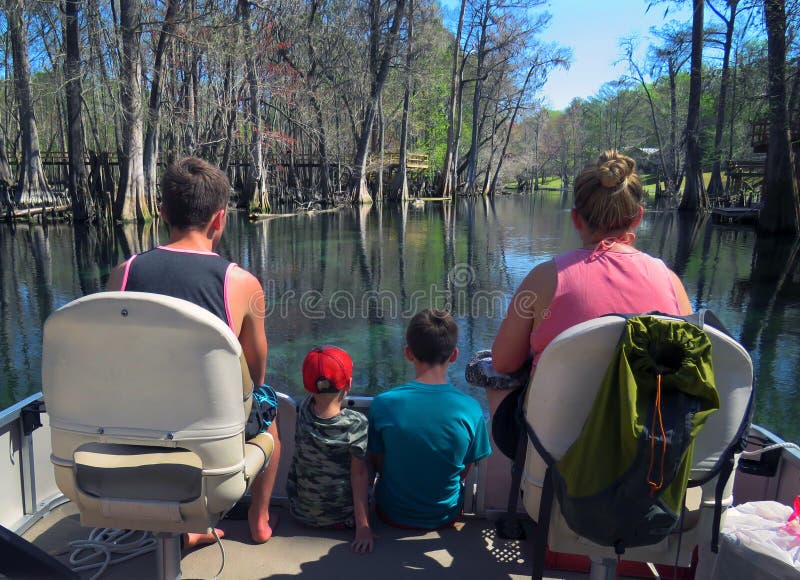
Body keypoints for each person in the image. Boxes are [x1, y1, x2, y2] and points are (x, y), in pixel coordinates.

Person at [107, 156, 280, 545]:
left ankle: (186, 529)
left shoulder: (123, 273)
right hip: (209, 438)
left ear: (162, 211)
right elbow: (256, 372)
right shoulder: (242, 283)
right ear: (220, 219)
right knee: (270, 418)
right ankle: (259, 519)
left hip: (135, 431)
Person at [488, 150, 692, 418]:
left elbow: (503, 362)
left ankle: (509, 461)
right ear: (638, 217)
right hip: (648, 445)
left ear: (575, 218)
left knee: (491, 377)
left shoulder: (544, 279)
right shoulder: (671, 282)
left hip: (555, 448)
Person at [368, 309, 492, 529]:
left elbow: (378, 463)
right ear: (454, 355)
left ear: (408, 353)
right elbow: (465, 469)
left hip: (390, 512)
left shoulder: (383, 404)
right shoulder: (471, 410)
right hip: (445, 516)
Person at [286, 346, 373, 553]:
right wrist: (363, 527)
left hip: (301, 514)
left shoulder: (304, 411)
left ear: (308, 386)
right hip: (343, 521)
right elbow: (358, 476)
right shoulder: (356, 423)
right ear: (349, 384)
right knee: (365, 467)